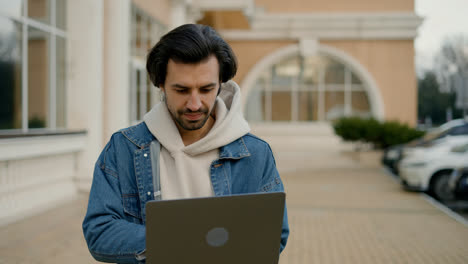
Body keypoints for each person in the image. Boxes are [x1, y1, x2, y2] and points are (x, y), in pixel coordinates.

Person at [82, 23, 289, 263]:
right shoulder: (124, 148)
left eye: (206, 89)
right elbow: (100, 232)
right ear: (161, 84)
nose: (194, 104)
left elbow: (275, 236)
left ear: (220, 84)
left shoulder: (255, 153)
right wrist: (183, 241)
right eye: (181, 90)